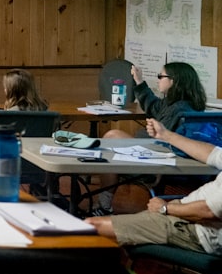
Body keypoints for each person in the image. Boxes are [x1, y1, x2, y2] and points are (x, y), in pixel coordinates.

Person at [87, 117, 221, 255]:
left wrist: (165, 208)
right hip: (184, 214)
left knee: (90, 227)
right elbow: (212, 153)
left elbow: (208, 211)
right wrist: (166, 134)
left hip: (195, 231)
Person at [95, 60, 207, 214]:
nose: (158, 79)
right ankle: (104, 203)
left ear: (173, 81)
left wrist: (155, 132)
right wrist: (139, 82)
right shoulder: (175, 103)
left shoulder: (180, 109)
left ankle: (104, 204)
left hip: (159, 163)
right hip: (157, 154)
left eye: (161, 76)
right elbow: (152, 105)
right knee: (112, 141)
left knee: (111, 138)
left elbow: (164, 143)